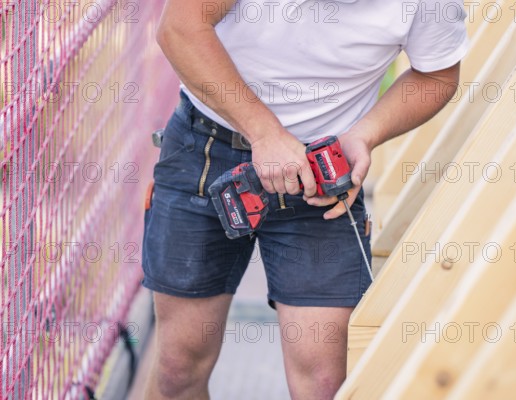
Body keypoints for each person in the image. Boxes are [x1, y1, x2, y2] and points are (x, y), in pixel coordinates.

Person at [142, 0, 468, 399]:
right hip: (208, 151)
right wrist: (265, 134)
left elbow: (436, 74)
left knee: (326, 385)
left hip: (320, 176)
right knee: (178, 369)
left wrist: (364, 134)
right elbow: (179, 28)